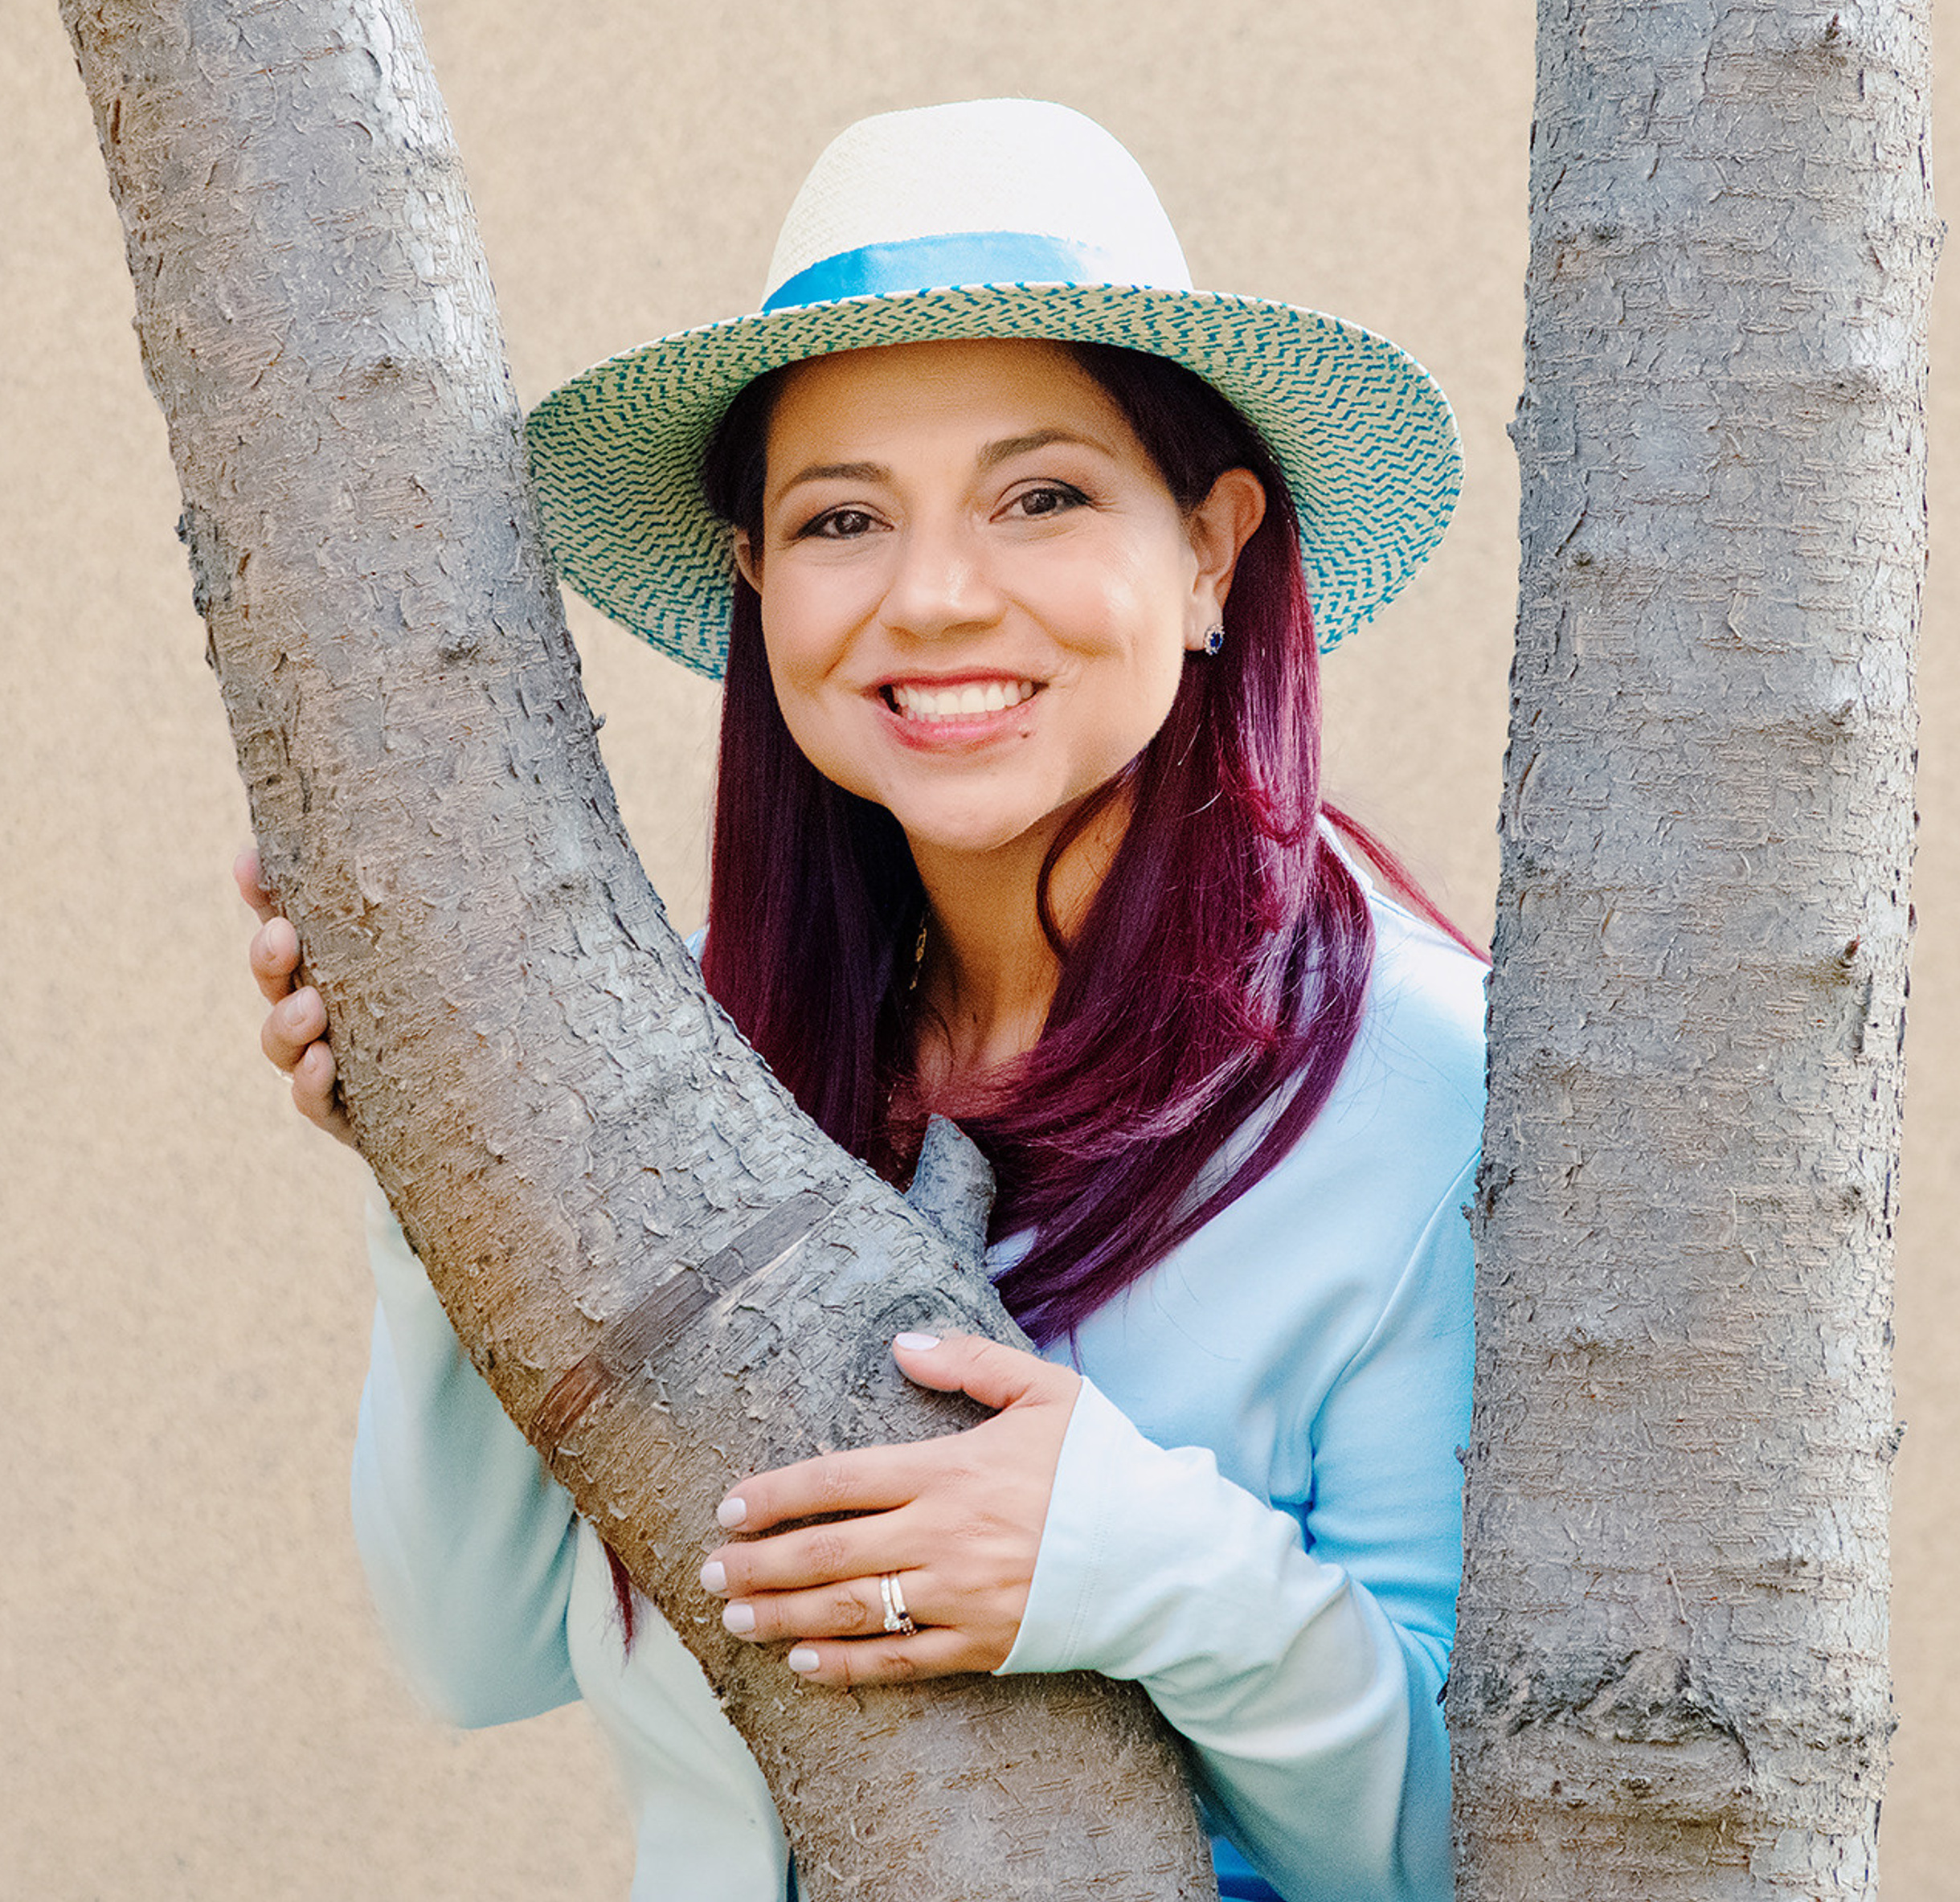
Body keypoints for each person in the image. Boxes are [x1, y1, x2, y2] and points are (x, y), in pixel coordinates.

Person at [241, 99, 1487, 1902]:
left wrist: (1140, 1562)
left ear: (1212, 547)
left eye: (1040, 494)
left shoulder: (1419, 1088)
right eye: (841, 518)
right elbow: (477, 1646)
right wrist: (436, 1168)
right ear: (757, 579)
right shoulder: (690, 1049)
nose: (930, 597)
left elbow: (1462, 1846)